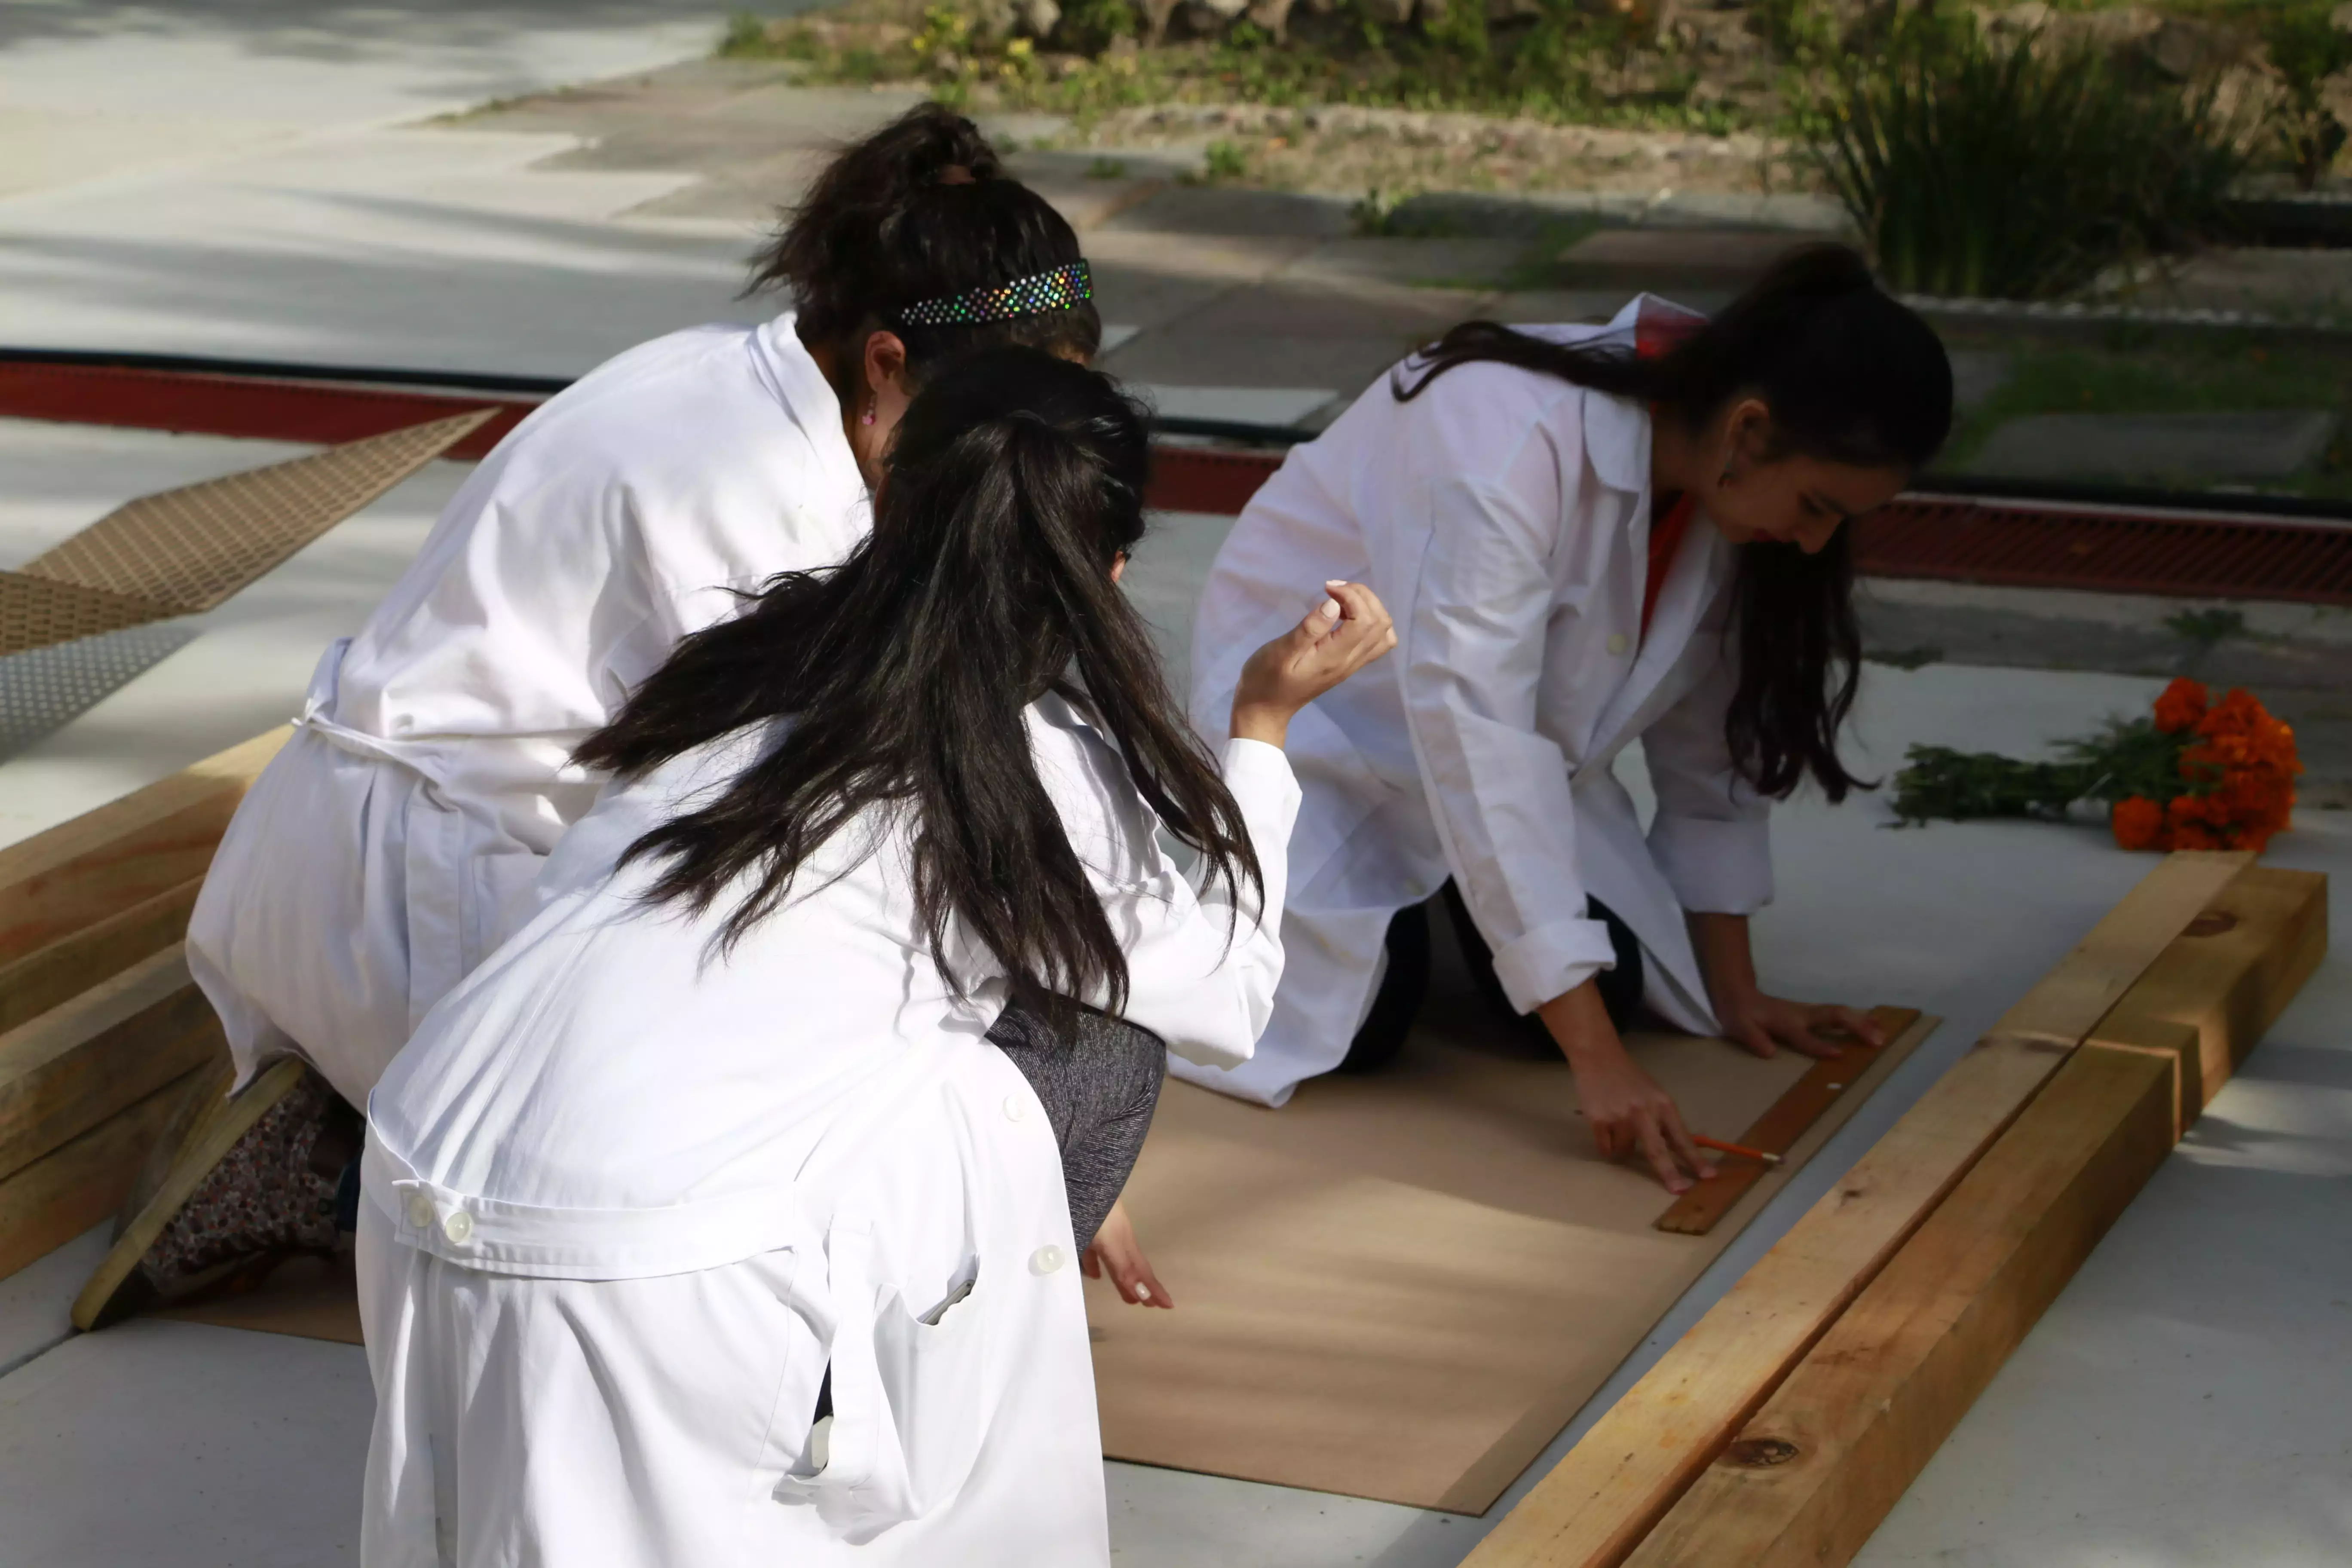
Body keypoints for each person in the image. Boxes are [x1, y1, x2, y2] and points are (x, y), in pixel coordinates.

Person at [75, 104, 1125, 1326]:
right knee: (819, 1121)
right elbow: (830, 830)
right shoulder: (759, 502)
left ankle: (351, 1120)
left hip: (377, 858)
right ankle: (343, 1168)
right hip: (423, 895)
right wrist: (1007, 1109)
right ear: (889, 369)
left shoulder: (727, 371)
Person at [356, 349, 1395, 1565]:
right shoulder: (1028, 765)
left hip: (427, 1160)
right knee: (1088, 1048)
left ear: (889, 507)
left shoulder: (752, 674)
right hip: (646, 1242)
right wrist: (1263, 730)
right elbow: (1227, 987)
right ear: (1107, 573)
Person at [1176, 245, 1954, 1193]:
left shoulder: (1716, 465)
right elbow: (1477, 735)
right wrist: (1599, 1064)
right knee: (1360, 1029)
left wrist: (1734, 995)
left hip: (1495, 755)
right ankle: (1416, 923)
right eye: (1819, 505)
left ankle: (1453, 911)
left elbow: (1711, 742)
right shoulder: (1501, 437)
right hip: (1328, 735)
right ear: (1749, 431)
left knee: (1609, 991)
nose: (1817, 539)